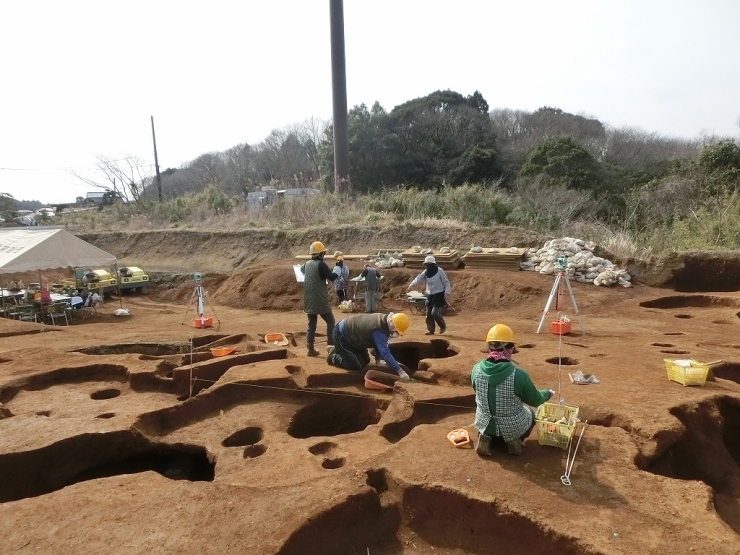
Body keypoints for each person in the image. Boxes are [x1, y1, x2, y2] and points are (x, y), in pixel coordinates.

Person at [471, 324, 555, 457]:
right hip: (512, 428)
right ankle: (514, 440)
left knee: (489, 418)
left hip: (484, 425)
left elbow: (477, 389)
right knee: (531, 413)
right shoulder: (518, 375)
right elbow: (535, 400)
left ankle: (485, 438)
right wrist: (547, 393)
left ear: (489, 347)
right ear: (509, 348)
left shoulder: (476, 369)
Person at [327, 312, 411, 380]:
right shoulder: (379, 330)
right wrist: (400, 371)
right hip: (342, 336)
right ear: (393, 326)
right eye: (397, 332)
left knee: (365, 361)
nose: (397, 334)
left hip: (355, 339)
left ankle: (340, 350)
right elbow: (385, 352)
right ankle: (333, 354)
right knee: (355, 365)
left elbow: (379, 344)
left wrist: (378, 361)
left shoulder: (385, 321)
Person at [300, 240, 338, 357]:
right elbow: (331, 277)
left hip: (308, 299)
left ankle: (310, 348)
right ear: (321, 254)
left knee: (312, 323)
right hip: (320, 299)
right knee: (330, 321)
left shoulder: (306, 264)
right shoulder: (321, 265)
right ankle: (330, 346)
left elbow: (301, 270)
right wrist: (338, 268)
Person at [407, 255, 451, 335]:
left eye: (429, 264)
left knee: (435, 313)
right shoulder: (426, 271)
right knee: (428, 314)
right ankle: (431, 330)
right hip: (429, 295)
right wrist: (412, 284)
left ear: (433, 264)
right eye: (426, 264)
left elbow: (446, 282)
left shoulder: (440, 271)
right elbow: (419, 278)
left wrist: (446, 293)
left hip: (439, 294)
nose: (428, 266)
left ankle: (442, 326)